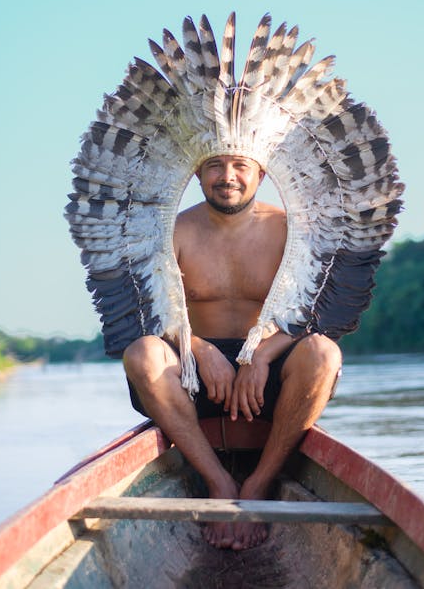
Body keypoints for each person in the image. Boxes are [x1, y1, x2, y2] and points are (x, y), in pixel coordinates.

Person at [123, 153, 343, 551]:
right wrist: (200, 351)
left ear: (261, 173)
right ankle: (217, 480)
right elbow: (149, 314)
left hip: (266, 377)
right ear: (196, 173)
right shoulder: (173, 232)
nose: (228, 177)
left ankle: (260, 482)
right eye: (215, 166)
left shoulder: (289, 231)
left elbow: (313, 313)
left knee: (323, 354)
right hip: (192, 381)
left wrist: (259, 356)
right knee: (142, 354)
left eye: (240, 166)